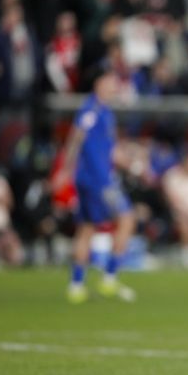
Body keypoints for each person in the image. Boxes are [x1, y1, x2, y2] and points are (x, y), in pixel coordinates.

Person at [55, 70, 136, 304]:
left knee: (87, 228)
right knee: (127, 219)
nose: (114, 86)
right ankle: (109, 278)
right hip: (98, 181)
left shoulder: (105, 112)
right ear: (99, 82)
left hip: (92, 179)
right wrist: (65, 170)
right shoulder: (92, 109)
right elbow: (75, 138)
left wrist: (127, 162)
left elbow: (105, 149)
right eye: (111, 81)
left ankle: (76, 285)